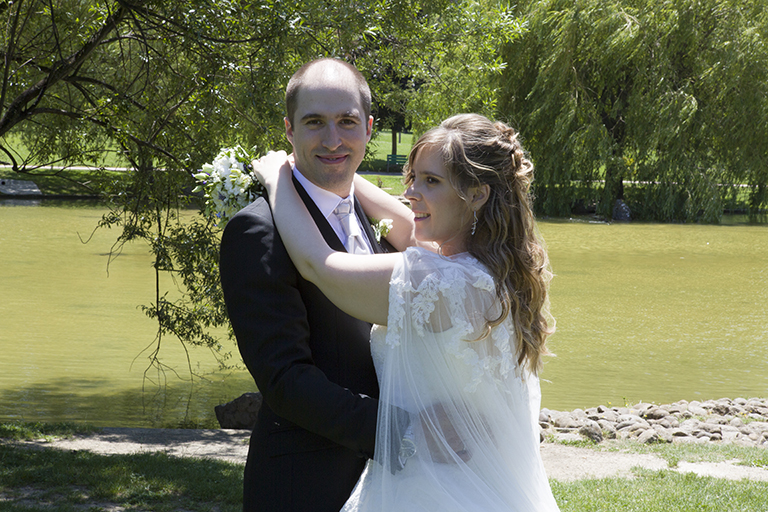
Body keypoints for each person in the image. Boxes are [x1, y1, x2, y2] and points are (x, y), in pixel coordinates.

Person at [251, 113, 561, 511]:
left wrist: (278, 178)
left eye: (431, 181)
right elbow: (403, 224)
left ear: (477, 194)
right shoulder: (491, 269)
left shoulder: (441, 283)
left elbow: (318, 264)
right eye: (413, 177)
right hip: (472, 482)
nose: (411, 192)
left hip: (437, 491)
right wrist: (329, 167)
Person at [219, 58, 413, 512]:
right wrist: (403, 431)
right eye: (314, 123)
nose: (332, 140)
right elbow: (285, 379)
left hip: (395, 486)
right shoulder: (257, 230)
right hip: (306, 484)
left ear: (368, 128)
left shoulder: (379, 218)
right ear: (289, 130)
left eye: (346, 121)